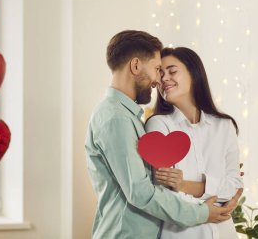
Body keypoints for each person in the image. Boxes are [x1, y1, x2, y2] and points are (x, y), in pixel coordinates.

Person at [85, 30, 242, 239]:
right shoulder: (119, 119)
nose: (158, 80)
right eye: (158, 69)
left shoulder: (128, 117)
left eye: (169, 71)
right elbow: (144, 192)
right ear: (135, 66)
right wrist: (204, 210)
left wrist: (190, 186)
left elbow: (233, 184)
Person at [145, 47, 243, 239]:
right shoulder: (158, 125)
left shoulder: (224, 125)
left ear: (194, 73)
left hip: (224, 232)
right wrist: (210, 206)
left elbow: (235, 185)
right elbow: (164, 195)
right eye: (161, 73)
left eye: (172, 71)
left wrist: (184, 185)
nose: (164, 79)